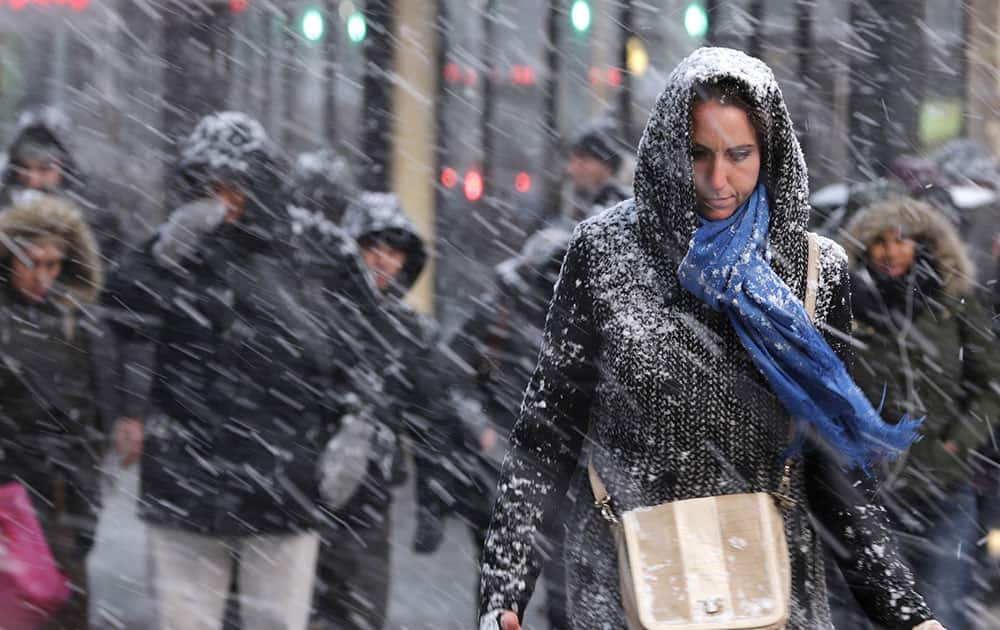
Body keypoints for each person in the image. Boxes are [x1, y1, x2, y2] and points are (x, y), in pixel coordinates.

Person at [477, 47, 943, 630]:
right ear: (671, 151)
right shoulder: (605, 253)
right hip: (628, 586)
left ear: (769, 154)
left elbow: (834, 467)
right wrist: (505, 594)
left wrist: (908, 614)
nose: (718, 180)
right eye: (699, 154)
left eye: (739, 155)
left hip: (770, 592)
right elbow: (547, 435)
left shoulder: (813, 271)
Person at [104, 112, 370, 630]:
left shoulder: (313, 250)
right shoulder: (175, 247)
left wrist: (358, 421)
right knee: (186, 620)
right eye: (206, 184)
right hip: (186, 479)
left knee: (276, 622)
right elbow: (118, 310)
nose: (220, 197)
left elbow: (361, 346)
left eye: (232, 183)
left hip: (282, 480)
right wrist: (162, 256)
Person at [842, 197, 1000, 630]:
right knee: (877, 616)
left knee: (943, 611)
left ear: (924, 244)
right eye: (878, 241)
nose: (890, 251)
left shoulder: (952, 302)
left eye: (902, 240)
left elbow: (991, 383)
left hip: (945, 489)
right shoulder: (848, 306)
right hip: (871, 490)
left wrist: (957, 441)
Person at [0, 194, 123, 629]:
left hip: (66, 490)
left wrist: (87, 479)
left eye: (53, 264)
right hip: (12, 490)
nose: (42, 276)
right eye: (32, 262)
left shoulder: (81, 320)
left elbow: (99, 405)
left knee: (65, 601)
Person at [443, 225, 574, 628]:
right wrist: (481, 431)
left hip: (559, 476)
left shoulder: (583, 318)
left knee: (563, 596)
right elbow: (452, 377)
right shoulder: (498, 312)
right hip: (501, 471)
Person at [0, 106, 126, 264]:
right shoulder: (4, 202)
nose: (33, 179)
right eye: (24, 168)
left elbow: (114, 265)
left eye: (44, 168)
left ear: (63, 167)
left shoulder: (93, 211)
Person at [562, 121, 629, 225]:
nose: (571, 169)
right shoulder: (577, 205)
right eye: (571, 160)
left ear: (608, 167)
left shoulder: (623, 213)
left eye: (583, 160)